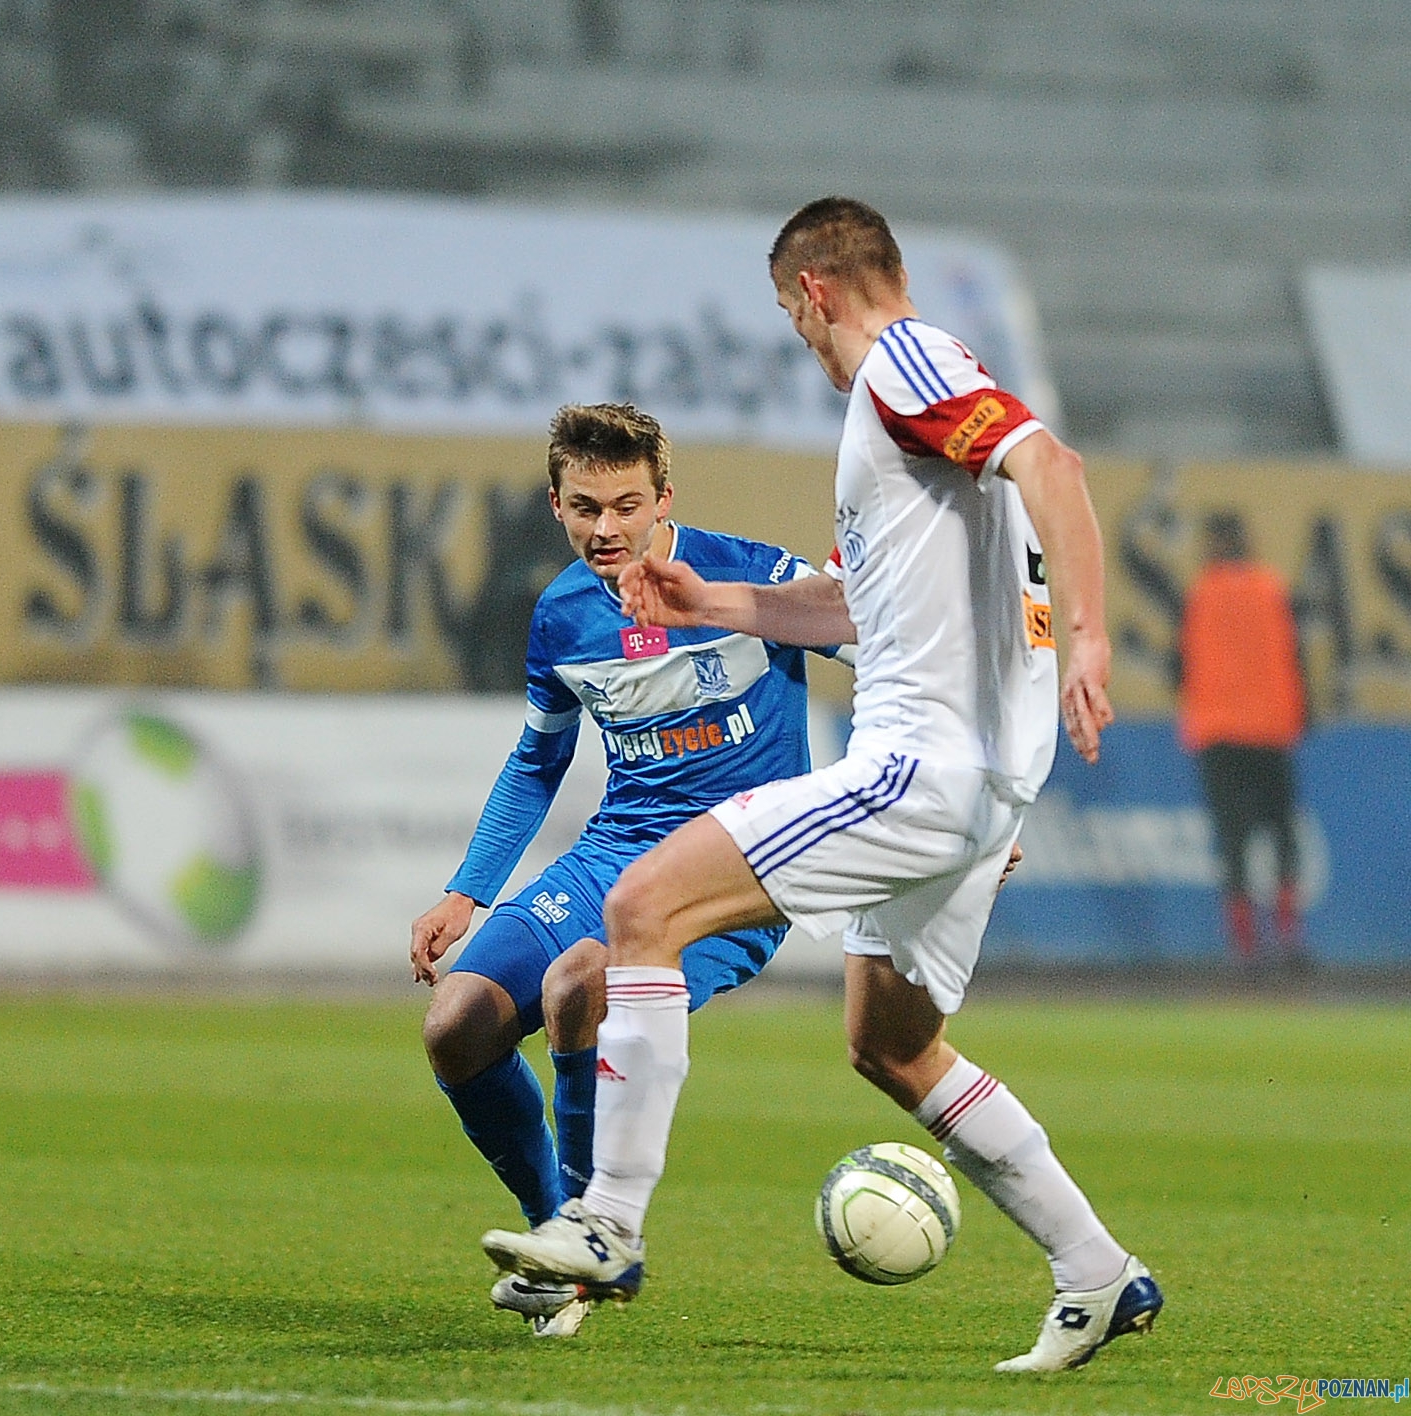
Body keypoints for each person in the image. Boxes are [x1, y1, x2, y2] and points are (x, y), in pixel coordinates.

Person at [480, 198, 1163, 1374]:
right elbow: (860, 606)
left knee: (642, 908)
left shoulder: (899, 370)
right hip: (981, 780)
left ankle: (606, 1221)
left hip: (919, 766)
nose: (799, 337)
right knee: (890, 1043)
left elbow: (1056, 465)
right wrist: (719, 603)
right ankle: (1096, 1271)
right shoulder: (931, 403)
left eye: (791, 315)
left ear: (813, 294)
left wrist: (1092, 639)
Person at [411, 401, 838, 1337]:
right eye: (584, 508)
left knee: (580, 983)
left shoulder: (753, 576)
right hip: (612, 854)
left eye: (626, 505)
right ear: (555, 504)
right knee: (456, 1027)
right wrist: (467, 888)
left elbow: (889, 648)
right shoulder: (561, 614)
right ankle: (554, 1240)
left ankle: (591, 1237)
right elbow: (537, 759)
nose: (606, 529)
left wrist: (942, 790)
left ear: (663, 499)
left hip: (737, 873)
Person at [1177, 510, 1307, 963]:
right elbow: (1296, 657)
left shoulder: (1200, 594)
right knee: (1283, 835)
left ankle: (1245, 947)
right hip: (1271, 729)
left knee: (1233, 840)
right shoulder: (1271, 589)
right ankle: (1289, 937)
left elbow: (1181, 667)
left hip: (1219, 733)